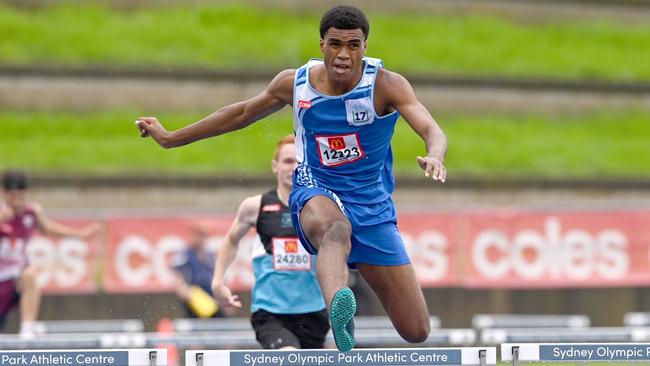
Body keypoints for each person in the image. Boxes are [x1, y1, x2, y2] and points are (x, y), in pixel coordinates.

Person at [136, 5, 447, 352]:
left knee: (416, 329)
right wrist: (171, 137)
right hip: (316, 192)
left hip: (372, 206)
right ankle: (339, 312)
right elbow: (239, 114)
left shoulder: (386, 86)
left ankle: (344, 302)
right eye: (335, 44)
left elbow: (431, 128)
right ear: (321, 44)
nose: (343, 55)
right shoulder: (295, 84)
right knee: (335, 229)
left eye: (353, 45)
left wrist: (435, 154)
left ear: (365, 46)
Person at [210, 135, 329, 349]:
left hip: (313, 312)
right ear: (275, 166)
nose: (294, 168)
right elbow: (231, 240)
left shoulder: (323, 208)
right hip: (270, 314)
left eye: (300, 162)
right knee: (289, 356)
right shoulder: (256, 207)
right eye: (287, 161)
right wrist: (218, 281)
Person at [0, 170, 102, 337]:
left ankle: (27, 328)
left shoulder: (31, 213)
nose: (17, 203)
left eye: (20, 197)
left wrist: (80, 235)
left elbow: (49, 228)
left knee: (30, 275)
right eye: (12, 197)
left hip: (15, 279)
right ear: (4, 194)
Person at [170, 221, 227, 318]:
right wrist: (188, 294)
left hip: (212, 300)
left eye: (203, 235)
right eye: (198, 235)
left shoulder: (210, 256)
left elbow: (220, 277)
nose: (201, 239)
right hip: (194, 301)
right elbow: (178, 279)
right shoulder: (185, 255)